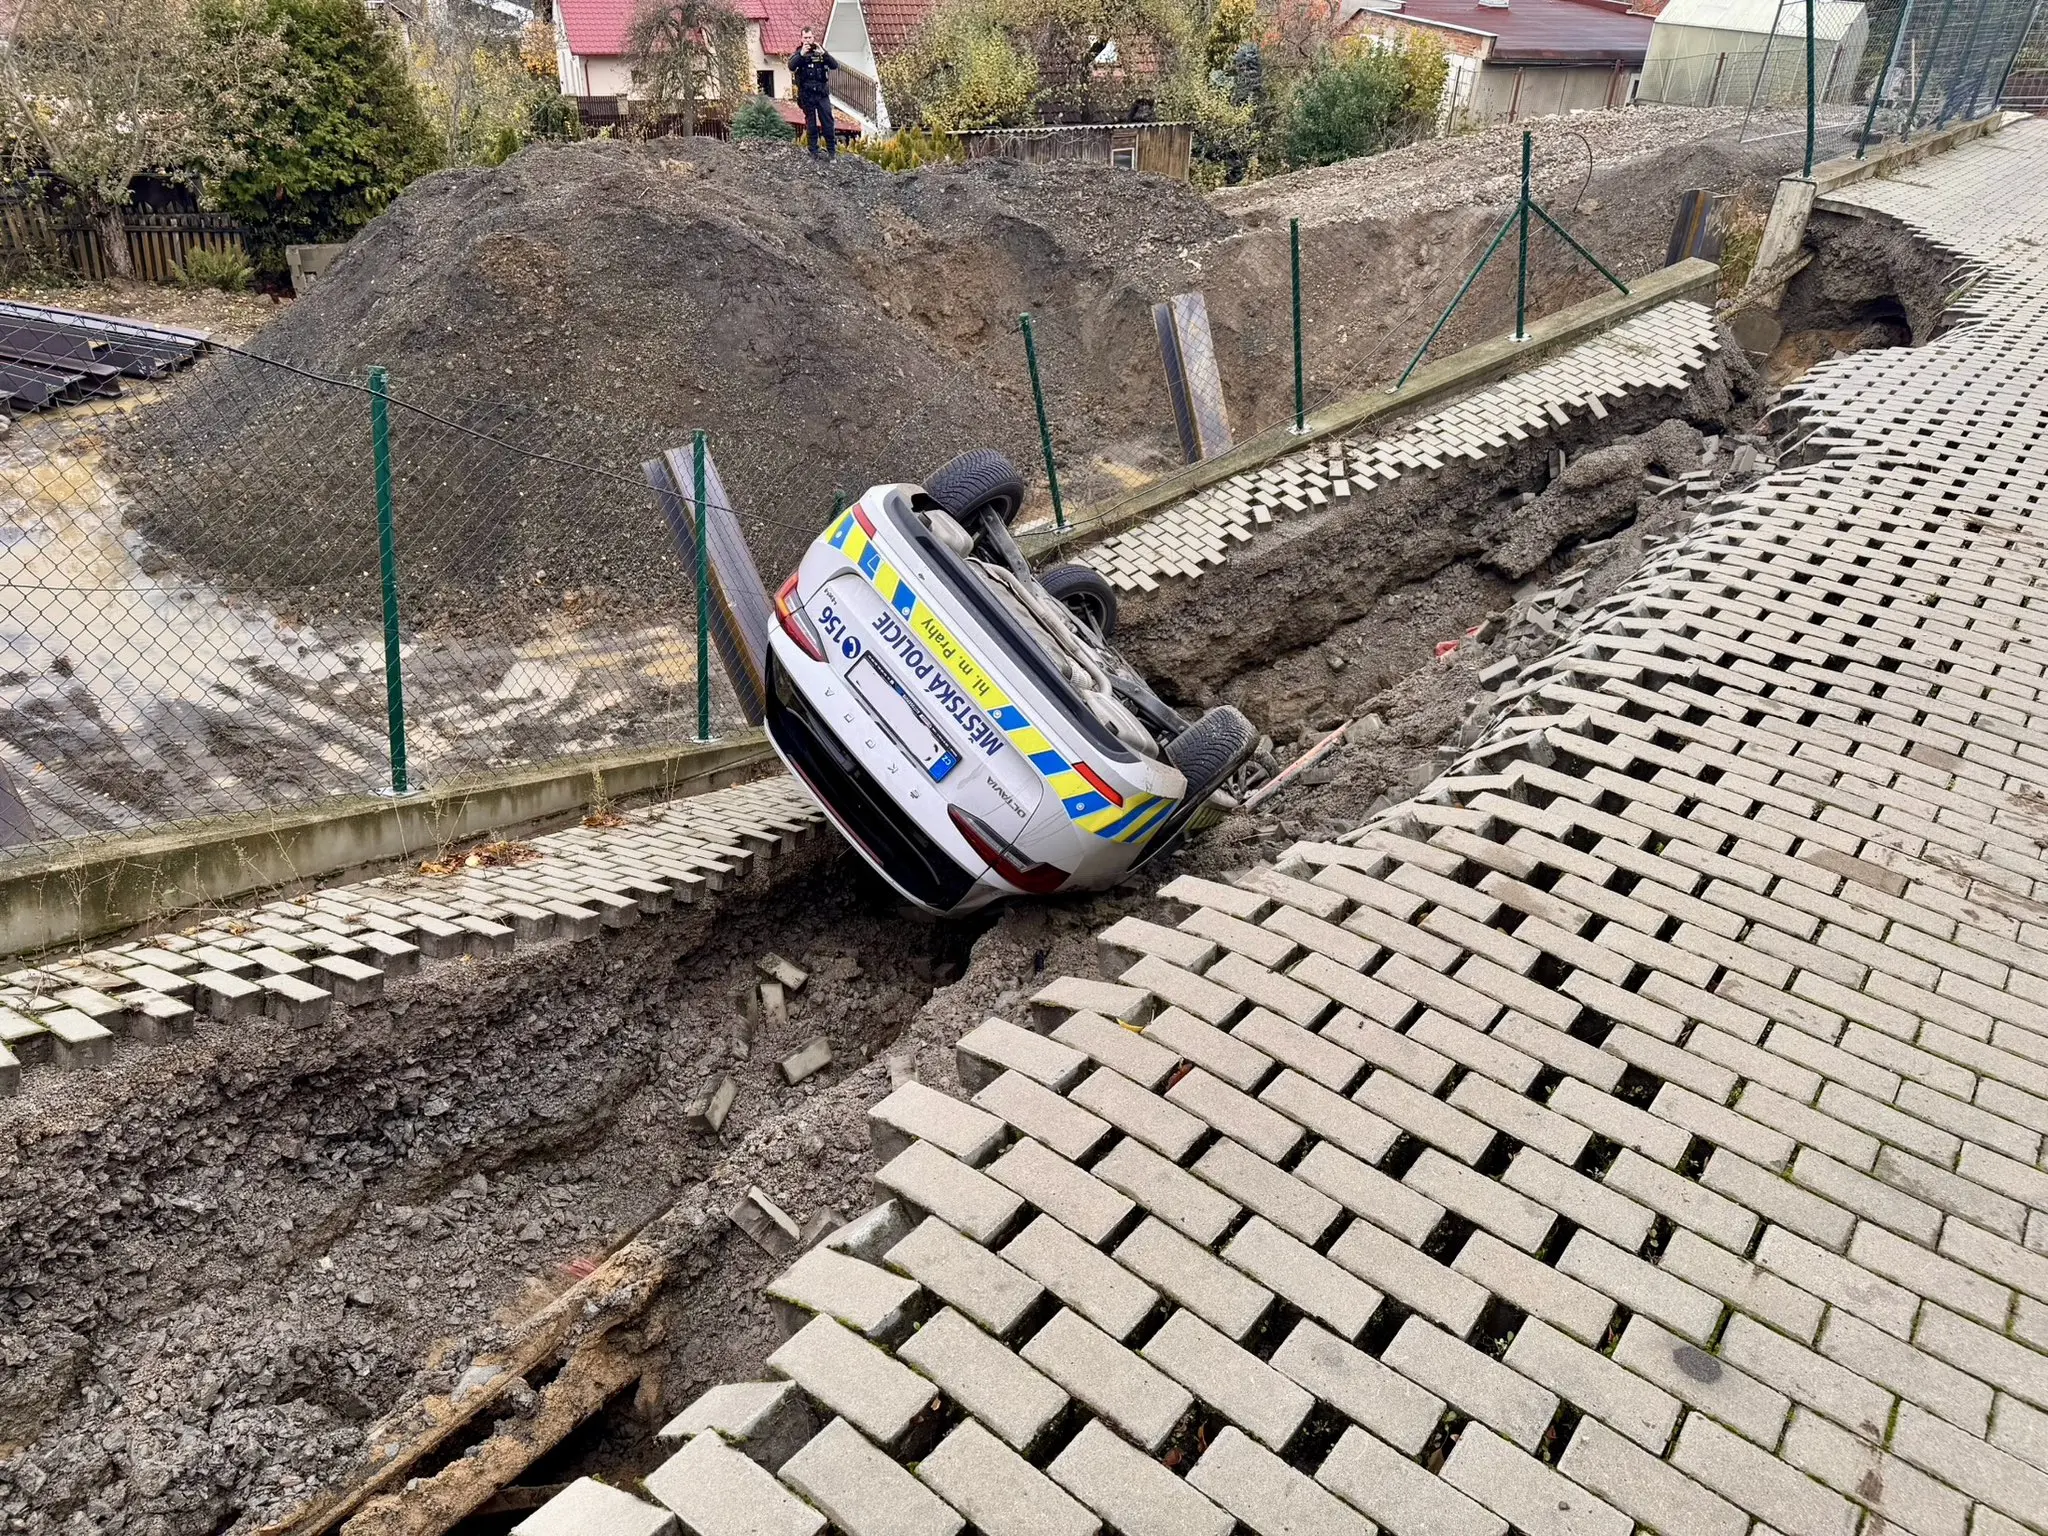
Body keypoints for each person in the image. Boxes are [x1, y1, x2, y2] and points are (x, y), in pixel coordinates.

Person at [789, 27, 841, 160]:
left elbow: (834, 65)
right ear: (801, 39)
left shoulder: (820, 51)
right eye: (805, 38)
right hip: (807, 94)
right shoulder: (798, 54)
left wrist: (824, 54)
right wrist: (801, 54)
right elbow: (791, 66)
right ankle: (813, 151)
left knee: (827, 122)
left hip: (821, 93)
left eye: (810, 37)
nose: (808, 40)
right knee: (811, 124)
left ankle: (831, 152)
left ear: (813, 38)